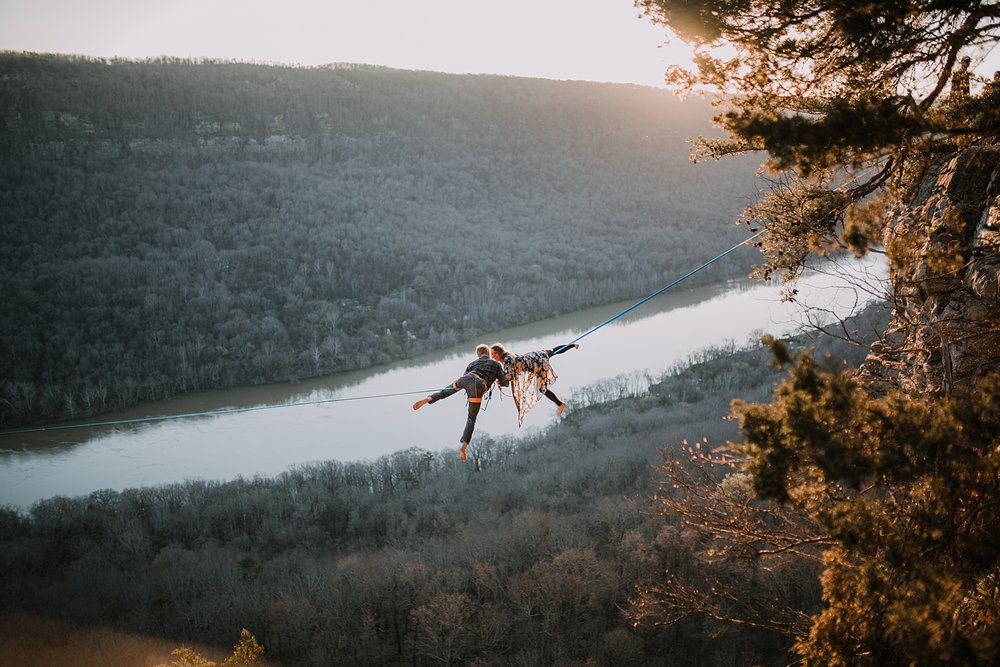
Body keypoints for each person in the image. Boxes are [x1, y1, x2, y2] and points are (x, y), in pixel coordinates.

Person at [412, 343, 509, 461]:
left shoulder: (472, 364)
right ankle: (464, 445)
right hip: (478, 385)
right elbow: (505, 383)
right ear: (488, 353)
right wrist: (503, 378)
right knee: (471, 419)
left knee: (444, 392)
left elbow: (465, 376)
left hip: (466, 378)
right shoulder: (496, 364)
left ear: (478, 355)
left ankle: (429, 398)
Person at [490, 341, 579, 425]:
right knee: (553, 351)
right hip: (534, 356)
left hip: (537, 363)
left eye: (494, 353)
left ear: (500, 352)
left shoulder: (507, 359)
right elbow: (509, 372)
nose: (493, 356)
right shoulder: (506, 357)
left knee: (542, 388)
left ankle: (560, 404)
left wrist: (498, 380)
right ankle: (573, 345)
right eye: (492, 354)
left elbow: (510, 376)